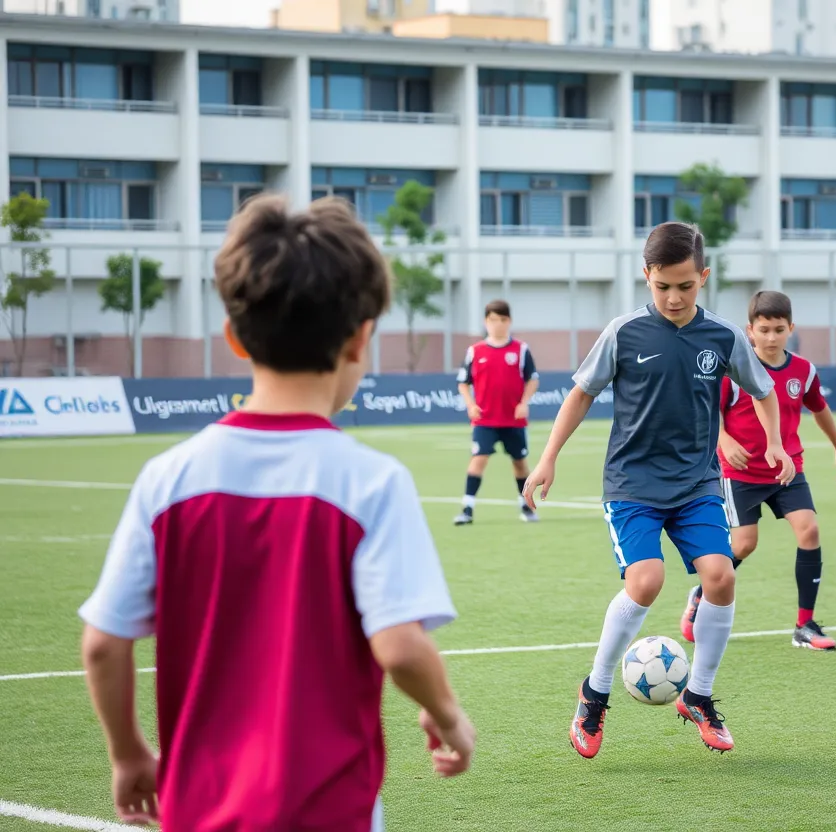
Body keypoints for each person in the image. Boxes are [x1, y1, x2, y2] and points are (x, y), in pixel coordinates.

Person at [77, 195, 475, 831]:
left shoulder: (169, 479)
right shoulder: (371, 482)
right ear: (359, 339)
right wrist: (448, 714)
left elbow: (103, 643)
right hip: (330, 812)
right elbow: (401, 647)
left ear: (234, 337)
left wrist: (128, 754)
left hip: (198, 808)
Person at [523, 221, 795, 758]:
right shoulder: (624, 332)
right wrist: (548, 458)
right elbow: (580, 395)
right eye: (662, 285)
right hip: (633, 484)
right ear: (645, 276)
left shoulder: (722, 336)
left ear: (704, 278)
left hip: (696, 483)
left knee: (720, 577)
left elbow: (762, 391)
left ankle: (700, 695)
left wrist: (777, 444)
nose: (673, 297)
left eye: (686, 286)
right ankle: (595, 693)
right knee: (646, 581)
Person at [680, 290, 836, 651]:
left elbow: (819, 409)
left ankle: (805, 625)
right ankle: (701, 593)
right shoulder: (734, 369)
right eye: (764, 330)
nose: (771, 337)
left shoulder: (803, 371)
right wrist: (723, 441)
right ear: (750, 331)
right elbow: (707, 412)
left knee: (809, 529)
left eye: (778, 329)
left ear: (790, 328)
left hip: (787, 468)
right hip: (739, 473)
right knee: (745, 544)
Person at [454, 299, 541, 525]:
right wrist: (470, 405)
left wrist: (524, 402)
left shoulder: (521, 350)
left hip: (514, 420)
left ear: (509, 321)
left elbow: (532, 379)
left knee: (520, 462)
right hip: (485, 420)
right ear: (486, 322)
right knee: (478, 459)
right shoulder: (475, 351)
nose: (498, 324)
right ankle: (467, 508)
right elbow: (463, 382)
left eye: (502, 320)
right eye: (493, 320)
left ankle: (526, 505)